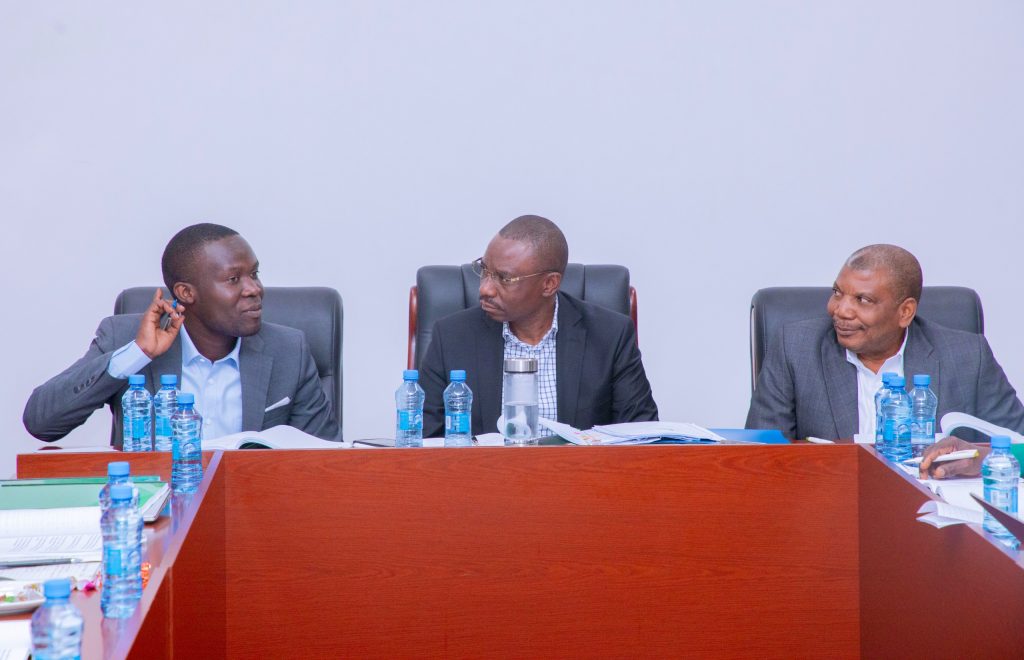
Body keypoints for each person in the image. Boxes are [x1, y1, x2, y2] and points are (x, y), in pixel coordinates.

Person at [23, 223, 339, 446]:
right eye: (233, 279)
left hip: (253, 511)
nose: (254, 289)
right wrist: (137, 355)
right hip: (156, 512)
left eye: (254, 274)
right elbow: (41, 423)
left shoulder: (289, 350)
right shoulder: (124, 339)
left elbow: (325, 461)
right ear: (186, 293)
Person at [746, 244, 1024, 441]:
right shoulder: (795, 348)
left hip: (930, 504)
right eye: (837, 293)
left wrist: (976, 458)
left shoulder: (968, 356)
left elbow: (1019, 446)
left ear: (905, 312)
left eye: (863, 300)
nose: (841, 310)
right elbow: (759, 456)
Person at [419, 215, 658, 438]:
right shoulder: (451, 337)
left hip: (579, 470)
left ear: (549, 284)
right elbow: (424, 441)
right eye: (484, 271)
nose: (485, 289)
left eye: (505, 278)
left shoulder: (610, 336)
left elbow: (641, 434)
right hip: (485, 470)